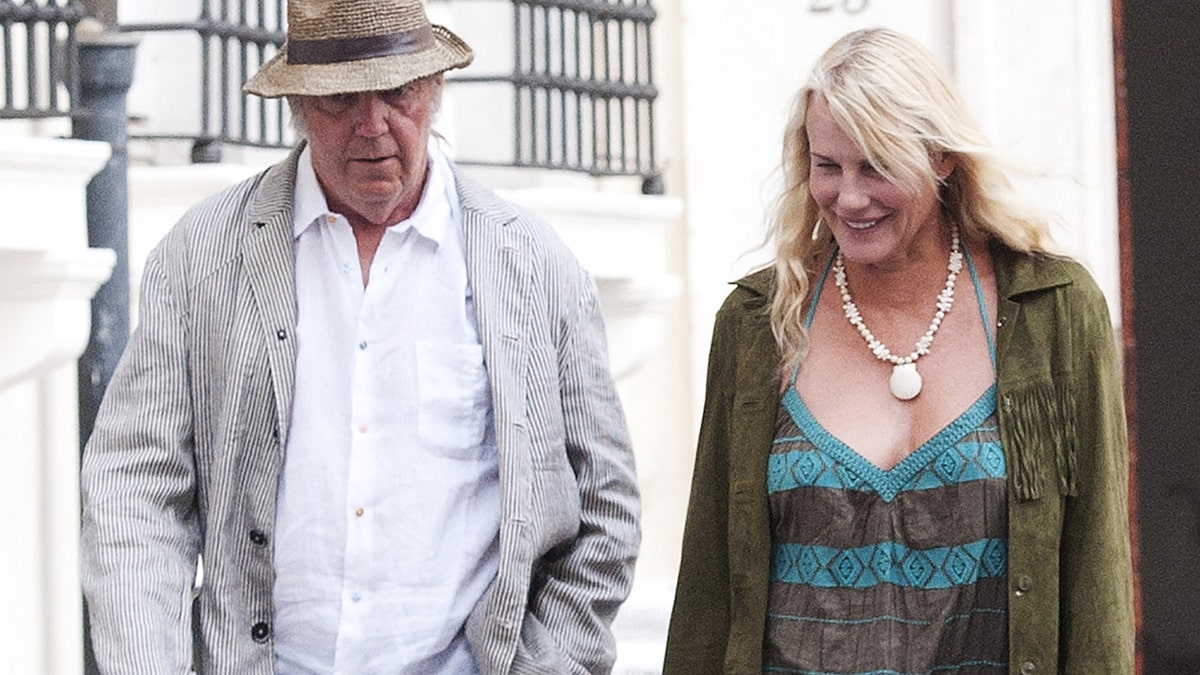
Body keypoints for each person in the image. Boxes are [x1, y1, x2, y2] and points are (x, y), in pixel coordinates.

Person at [79, 1, 640, 673]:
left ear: (432, 91)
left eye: (397, 92)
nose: (372, 126)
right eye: (341, 97)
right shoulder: (201, 258)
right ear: (299, 105)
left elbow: (605, 507)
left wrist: (549, 665)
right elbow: (133, 491)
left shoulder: (533, 266)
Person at [663, 27, 1133, 675]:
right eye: (828, 166)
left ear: (941, 157)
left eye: (877, 164)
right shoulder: (756, 322)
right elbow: (707, 584)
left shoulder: (1054, 310)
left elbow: (1095, 572)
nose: (848, 197)